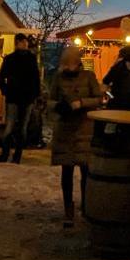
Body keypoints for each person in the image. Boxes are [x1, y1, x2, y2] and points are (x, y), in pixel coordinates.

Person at [47, 45, 103, 227]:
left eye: (70, 63)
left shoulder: (88, 77)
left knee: (86, 171)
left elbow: (98, 98)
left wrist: (82, 103)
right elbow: (49, 100)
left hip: (84, 128)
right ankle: (68, 209)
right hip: (65, 129)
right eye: (65, 63)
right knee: (67, 171)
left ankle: (87, 207)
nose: (68, 67)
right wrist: (58, 106)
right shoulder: (58, 78)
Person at [0, 33, 41, 163]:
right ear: (17, 43)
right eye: (22, 42)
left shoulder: (31, 59)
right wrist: (6, 91)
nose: (25, 44)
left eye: (25, 42)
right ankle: (6, 154)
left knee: (21, 128)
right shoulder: (10, 59)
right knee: (11, 127)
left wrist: (35, 95)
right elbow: (0, 78)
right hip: (15, 97)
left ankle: (16, 155)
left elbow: (36, 78)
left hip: (25, 98)